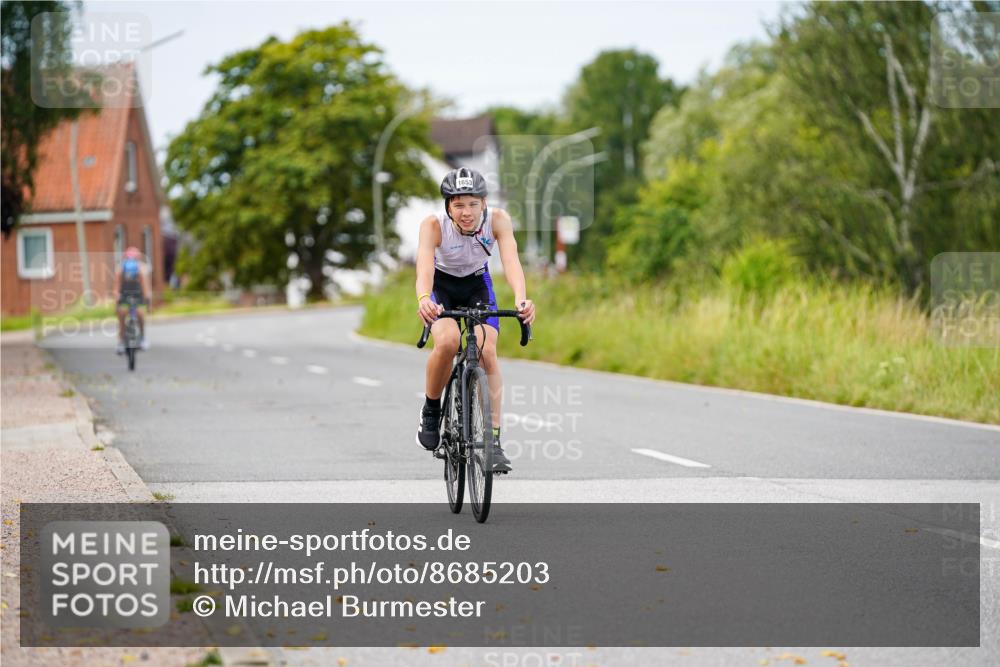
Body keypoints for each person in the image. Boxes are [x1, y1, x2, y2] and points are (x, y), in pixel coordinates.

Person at [415, 167, 536, 472]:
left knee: (486, 350)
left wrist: (521, 298)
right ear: (448, 207)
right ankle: (431, 409)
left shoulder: (498, 220)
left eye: (472, 204)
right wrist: (424, 299)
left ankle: (493, 442)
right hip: (441, 286)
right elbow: (424, 269)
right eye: (458, 205)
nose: (466, 212)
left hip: (477, 285)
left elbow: (510, 260)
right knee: (448, 340)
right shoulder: (433, 226)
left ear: (484, 203)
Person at [114, 246, 151, 354]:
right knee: (125, 314)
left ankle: (139, 339)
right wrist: (148, 302)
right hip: (129, 294)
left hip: (134, 294)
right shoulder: (122, 269)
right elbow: (117, 287)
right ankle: (125, 341)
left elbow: (145, 287)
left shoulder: (138, 269)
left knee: (135, 314)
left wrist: (147, 300)